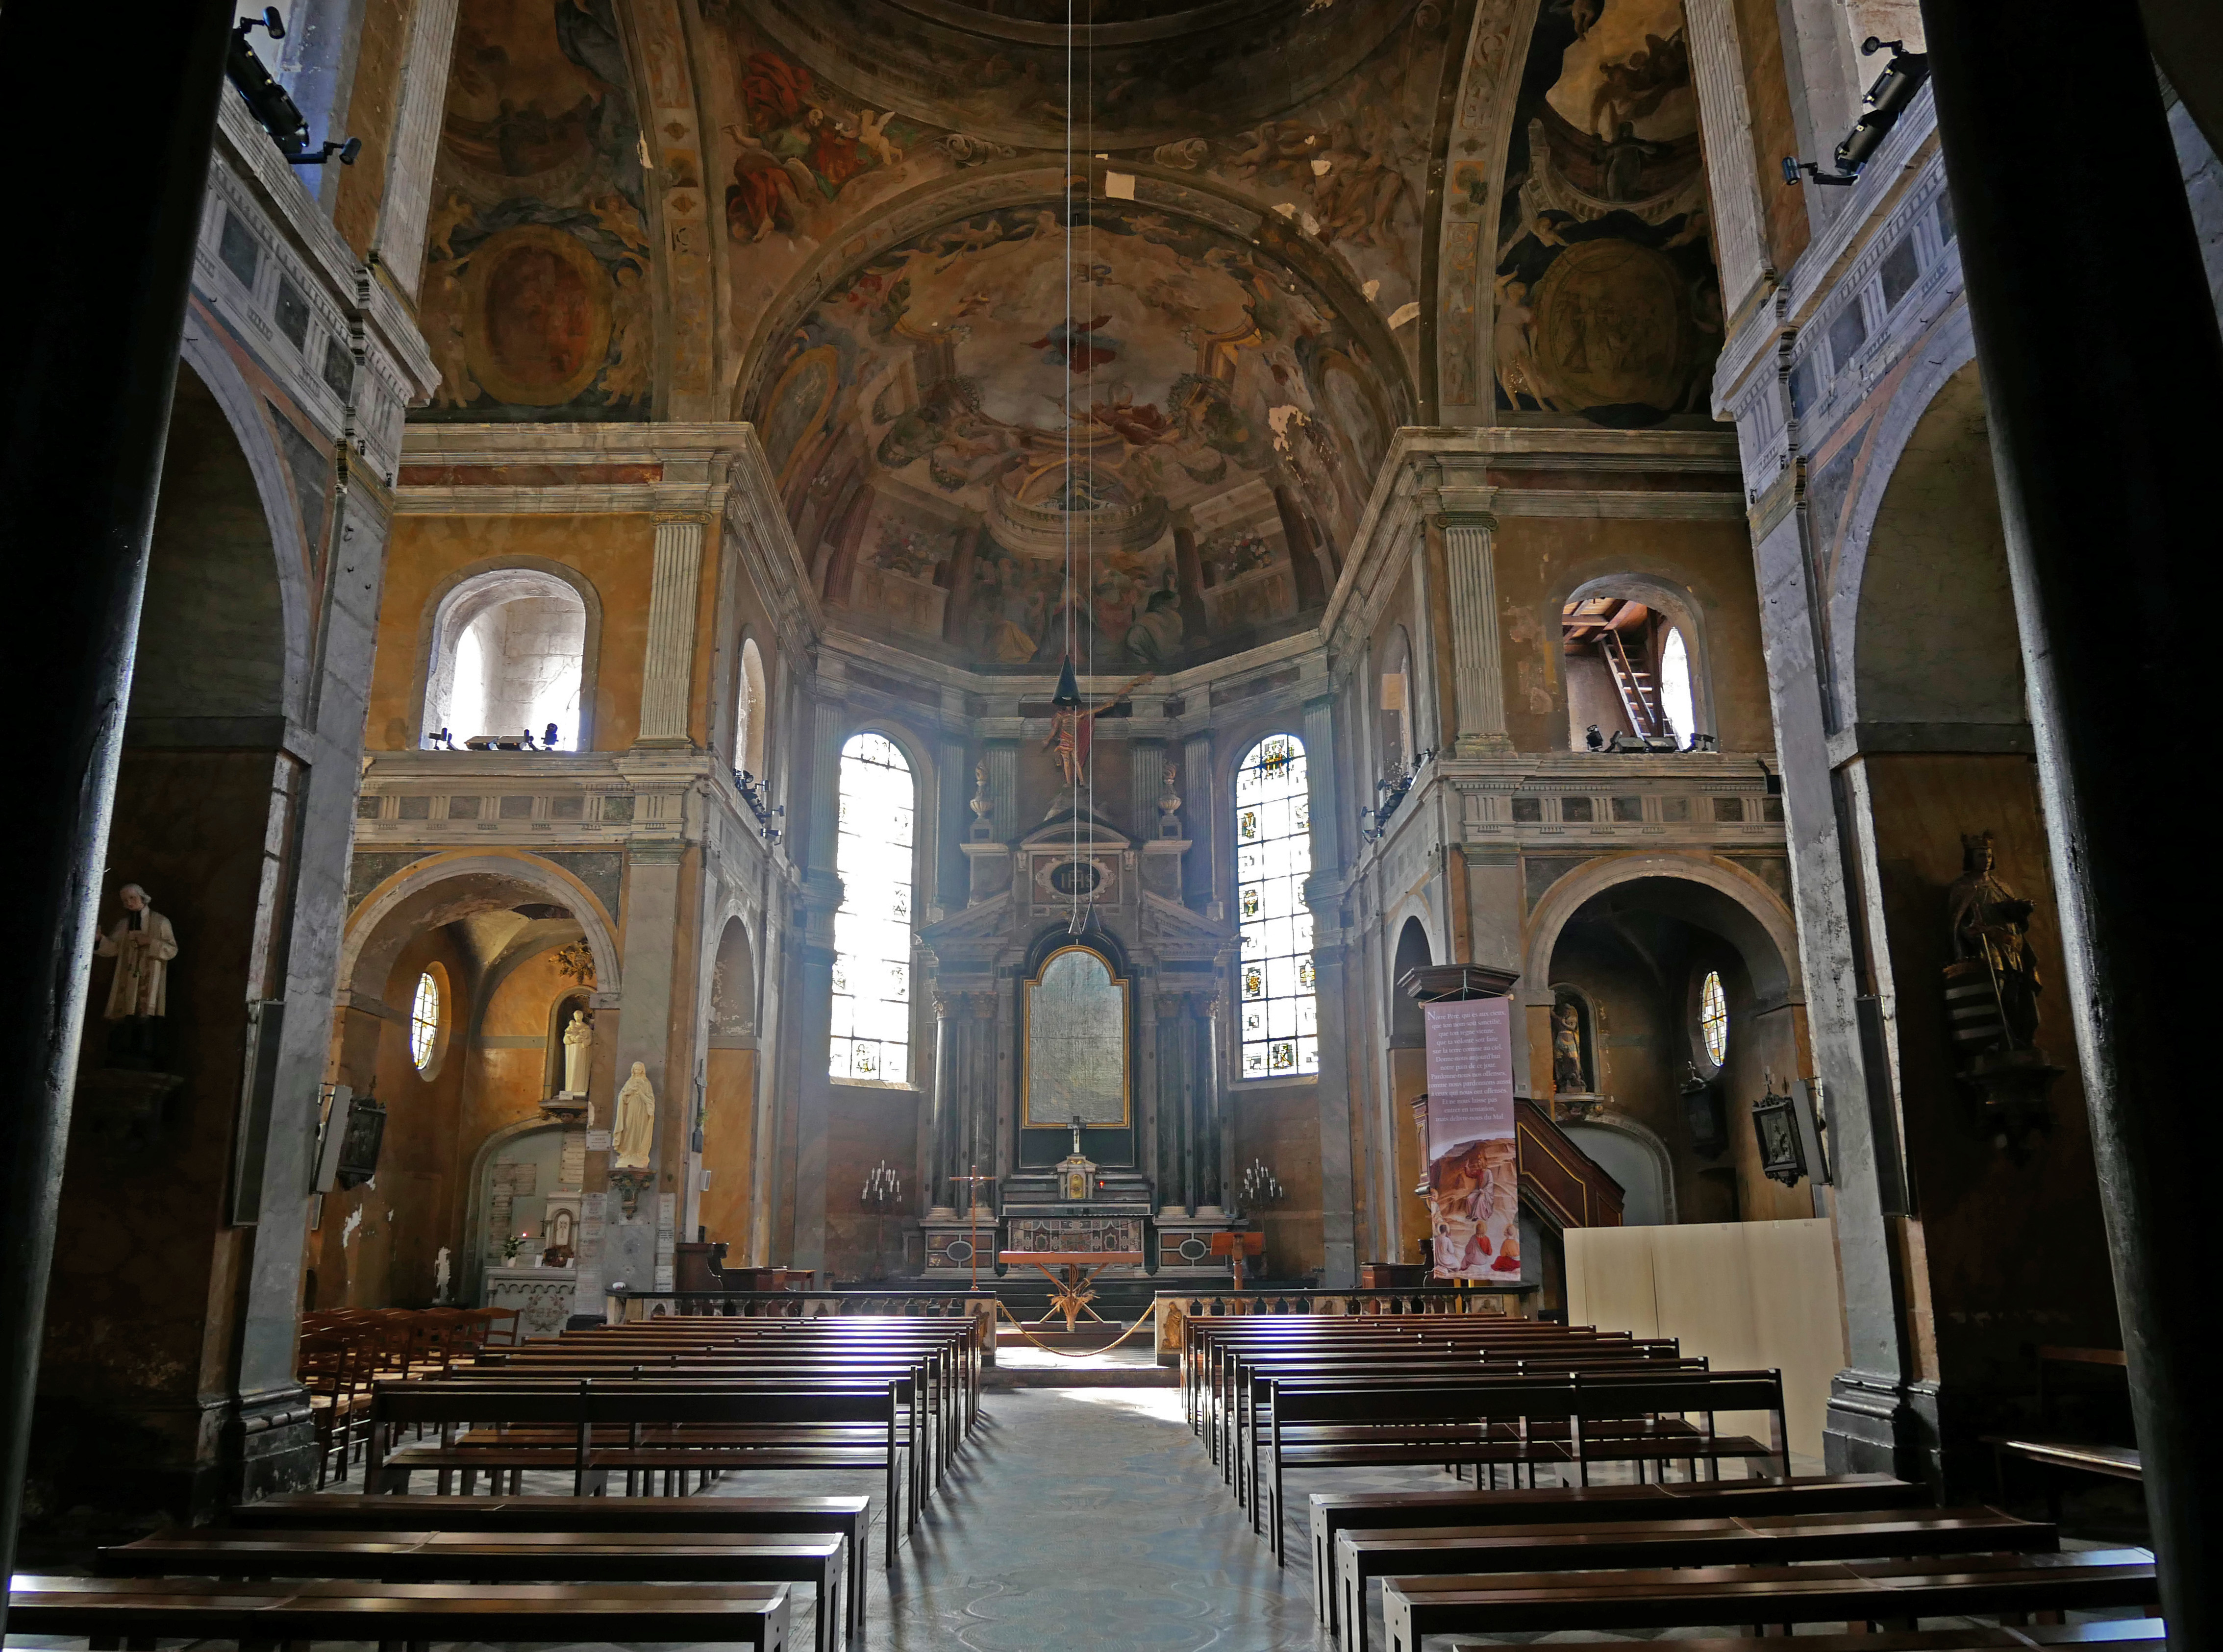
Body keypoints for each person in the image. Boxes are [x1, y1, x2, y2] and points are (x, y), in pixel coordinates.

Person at [95, 883, 177, 1066]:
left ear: (142, 897)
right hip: (128, 975)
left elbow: (171, 950)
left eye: (132, 898)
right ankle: (122, 1051)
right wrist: (101, 940)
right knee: (125, 1012)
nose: (129, 903)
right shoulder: (124, 924)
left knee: (145, 1012)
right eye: (125, 900)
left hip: (150, 976)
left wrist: (150, 942)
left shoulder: (160, 922)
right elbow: (114, 948)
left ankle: (144, 1053)